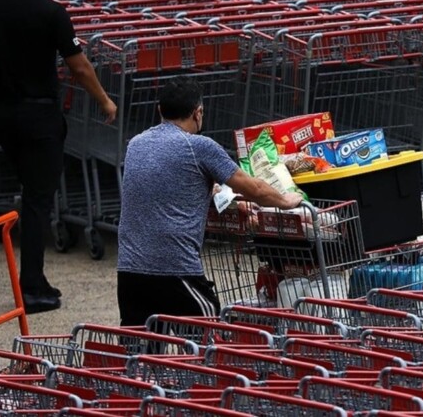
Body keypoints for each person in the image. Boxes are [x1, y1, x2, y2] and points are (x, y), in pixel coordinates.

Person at [0, 0, 117, 314]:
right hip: (41, 116)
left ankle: (36, 280)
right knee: (37, 199)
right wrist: (104, 101)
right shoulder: (51, 12)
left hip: (5, 113)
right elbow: (79, 66)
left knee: (33, 194)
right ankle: (30, 287)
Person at [117, 76, 303, 327]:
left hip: (129, 271)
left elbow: (163, 184)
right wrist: (285, 200)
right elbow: (254, 188)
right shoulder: (199, 147)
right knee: (209, 343)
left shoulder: (135, 145)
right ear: (198, 112)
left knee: (141, 353)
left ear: (159, 110)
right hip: (175, 269)